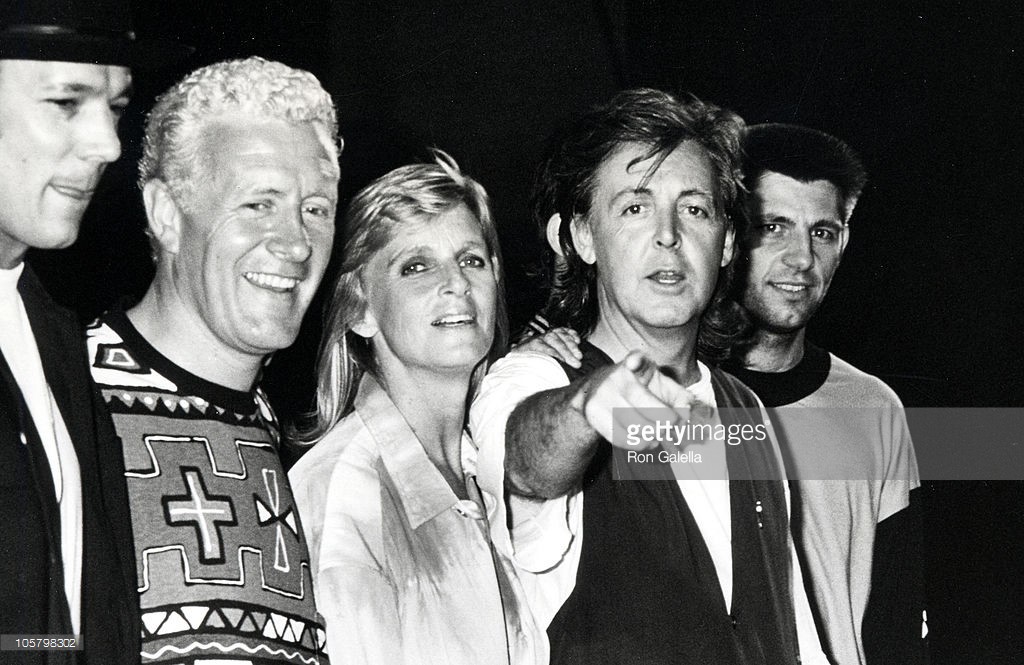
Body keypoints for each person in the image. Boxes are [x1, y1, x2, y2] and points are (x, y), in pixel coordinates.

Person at [470, 88, 828, 664]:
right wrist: (587, 407)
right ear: (581, 237)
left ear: (728, 241)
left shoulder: (746, 411)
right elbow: (525, 468)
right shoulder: (532, 377)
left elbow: (795, 633)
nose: (668, 235)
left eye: (694, 209)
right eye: (635, 207)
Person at [85, 56, 338, 664]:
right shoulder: (68, 397)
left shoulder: (273, 428)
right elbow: (19, 636)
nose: (297, 242)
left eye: (316, 208)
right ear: (167, 215)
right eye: (259, 203)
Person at [289, 152, 547, 664]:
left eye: (471, 260)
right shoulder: (348, 491)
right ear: (360, 307)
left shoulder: (483, 470)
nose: (455, 283)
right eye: (416, 266)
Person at [0, 0, 185, 661]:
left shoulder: (47, 330)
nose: (108, 143)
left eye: (114, 104)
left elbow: (61, 626)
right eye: (67, 100)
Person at [722, 123, 925, 664]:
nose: (801, 259)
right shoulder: (668, 399)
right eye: (773, 227)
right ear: (728, 235)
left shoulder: (873, 408)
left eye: (823, 232)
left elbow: (897, 623)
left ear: (845, 243)